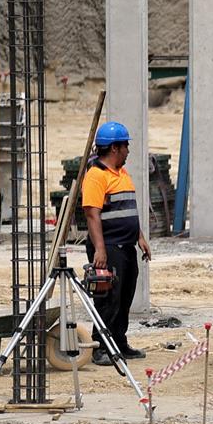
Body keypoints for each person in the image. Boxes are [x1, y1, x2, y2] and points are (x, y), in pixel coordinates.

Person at [81, 120, 152, 364]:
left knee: (124, 298)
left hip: (126, 246)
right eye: (125, 146)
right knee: (108, 299)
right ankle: (101, 347)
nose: (128, 151)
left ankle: (119, 343)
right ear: (114, 148)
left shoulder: (121, 174)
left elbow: (128, 209)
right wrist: (100, 249)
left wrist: (139, 236)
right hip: (109, 248)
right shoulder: (96, 176)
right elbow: (92, 214)